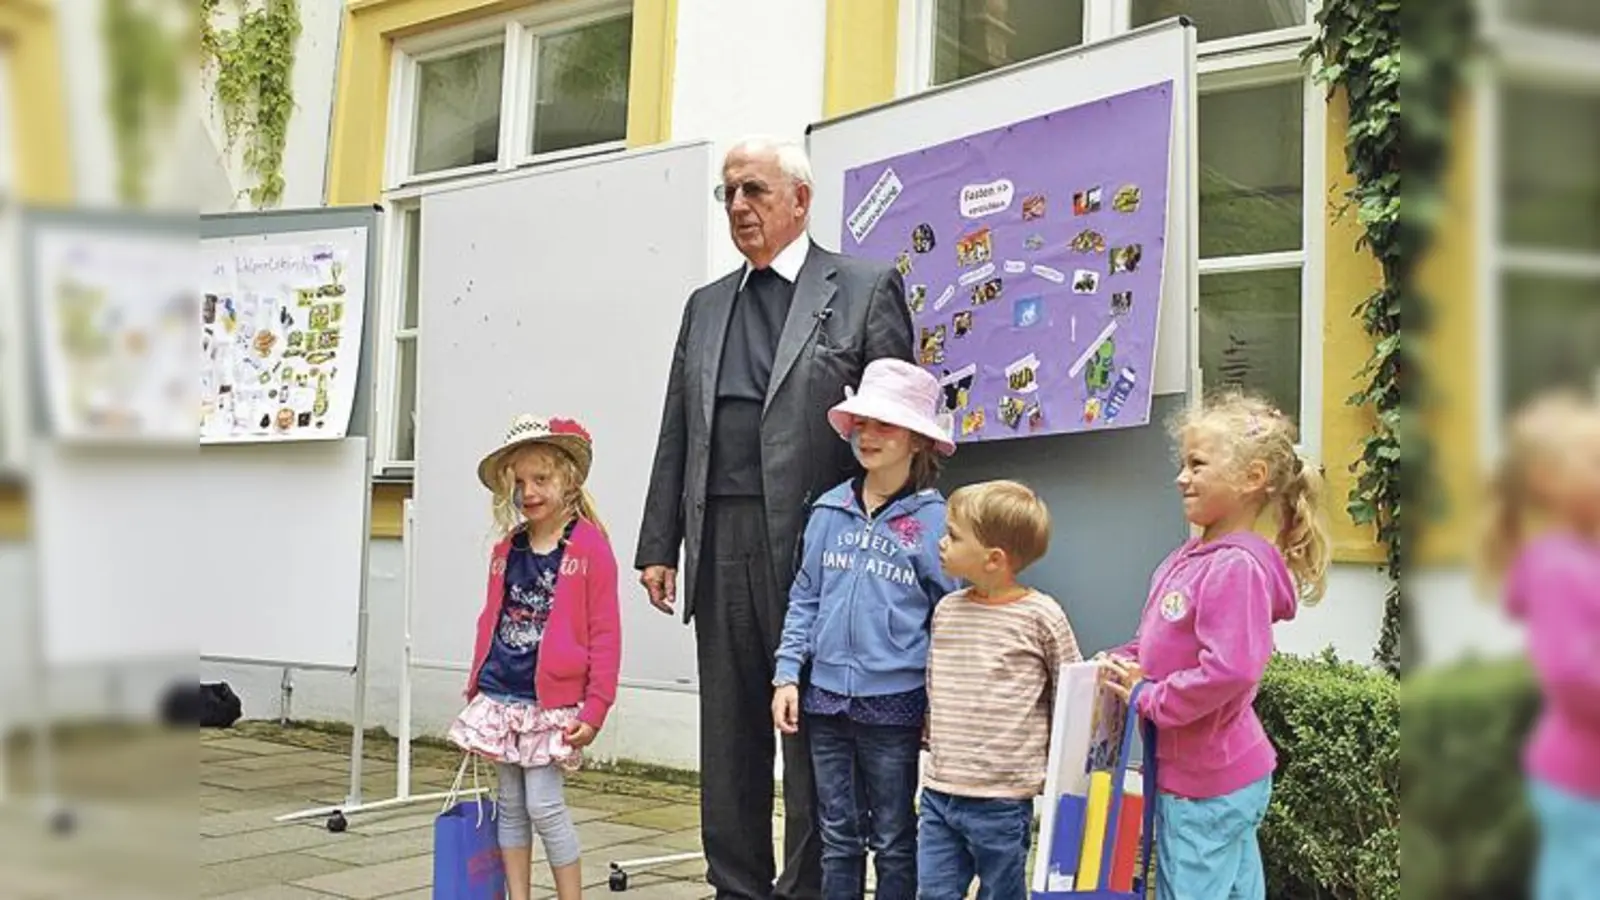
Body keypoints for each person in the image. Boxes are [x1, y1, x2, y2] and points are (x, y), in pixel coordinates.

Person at [635, 135, 916, 900]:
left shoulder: (863, 288)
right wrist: (661, 541)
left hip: (822, 547)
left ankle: (811, 888)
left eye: (754, 190)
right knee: (728, 734)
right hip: (720, 538)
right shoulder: (705, 305)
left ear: (800, 199)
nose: (738, 206)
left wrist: (892, 539)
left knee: (814, 732)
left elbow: (905, 425)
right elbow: (676, 429)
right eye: (727, 193)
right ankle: (736, 886)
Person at [1100, 391, 1330, 900]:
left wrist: (1152, 697)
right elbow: (1164, 642)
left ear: (1252, 479)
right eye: (1182, 464)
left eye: (1197, 464)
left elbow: (1232, 670)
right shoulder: (1194, 556)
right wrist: (1126, 661)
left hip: (1206, 783)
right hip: (1210, 775)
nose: (1181, 477)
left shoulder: (1234, 568)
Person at [771, 358, 961, 900]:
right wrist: (788, 676)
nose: (869, 436)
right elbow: (804, 598)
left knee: (897, 837)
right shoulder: (829, 510)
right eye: (863, 424)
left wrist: (937, 704)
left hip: (895, 705)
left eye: (886, 425)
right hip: (825, 701)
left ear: (919, 439)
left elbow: (949, 617)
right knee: (837, 836)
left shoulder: (935, 525)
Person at [448, 414, 622, 900]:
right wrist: (478, 685)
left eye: (540, 479)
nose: (529, 491)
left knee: (545, 806)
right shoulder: (508, 547)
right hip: (503, 694)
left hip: (552, 705)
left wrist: (596, 707)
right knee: (511, 805)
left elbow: (606, 634)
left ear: (569, 481)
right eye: (520, 482)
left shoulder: (590, 547)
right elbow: (491, 619)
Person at [920, 480, 1082, 900]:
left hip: (1003, 798)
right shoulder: (946, 610)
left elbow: (1073, 693)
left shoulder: (1041, 615)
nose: (941, 543)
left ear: (994, 559)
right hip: (941, 790)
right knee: (933, 892)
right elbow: (937, 682)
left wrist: (1061, 768)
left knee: (1001, 892)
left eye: (953, 536)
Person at [1478, 391, 1600, 900]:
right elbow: (1572, 676)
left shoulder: (1582, 558)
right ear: (1549, 480)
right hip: (1581, 782)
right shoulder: (1555, 566)